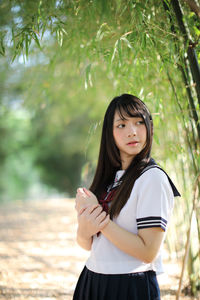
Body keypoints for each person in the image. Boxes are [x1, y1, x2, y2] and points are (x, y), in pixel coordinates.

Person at [73, 94, 180, 300]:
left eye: (139, 122)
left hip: (130, 285)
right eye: (121, 125)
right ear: (109, 133)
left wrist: (99, 217)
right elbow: (87, 244)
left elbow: (148, 251)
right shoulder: (110, 179)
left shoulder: (152, 178)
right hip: (92, 279)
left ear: (149, 127)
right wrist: (85, 224)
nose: (132, 132)